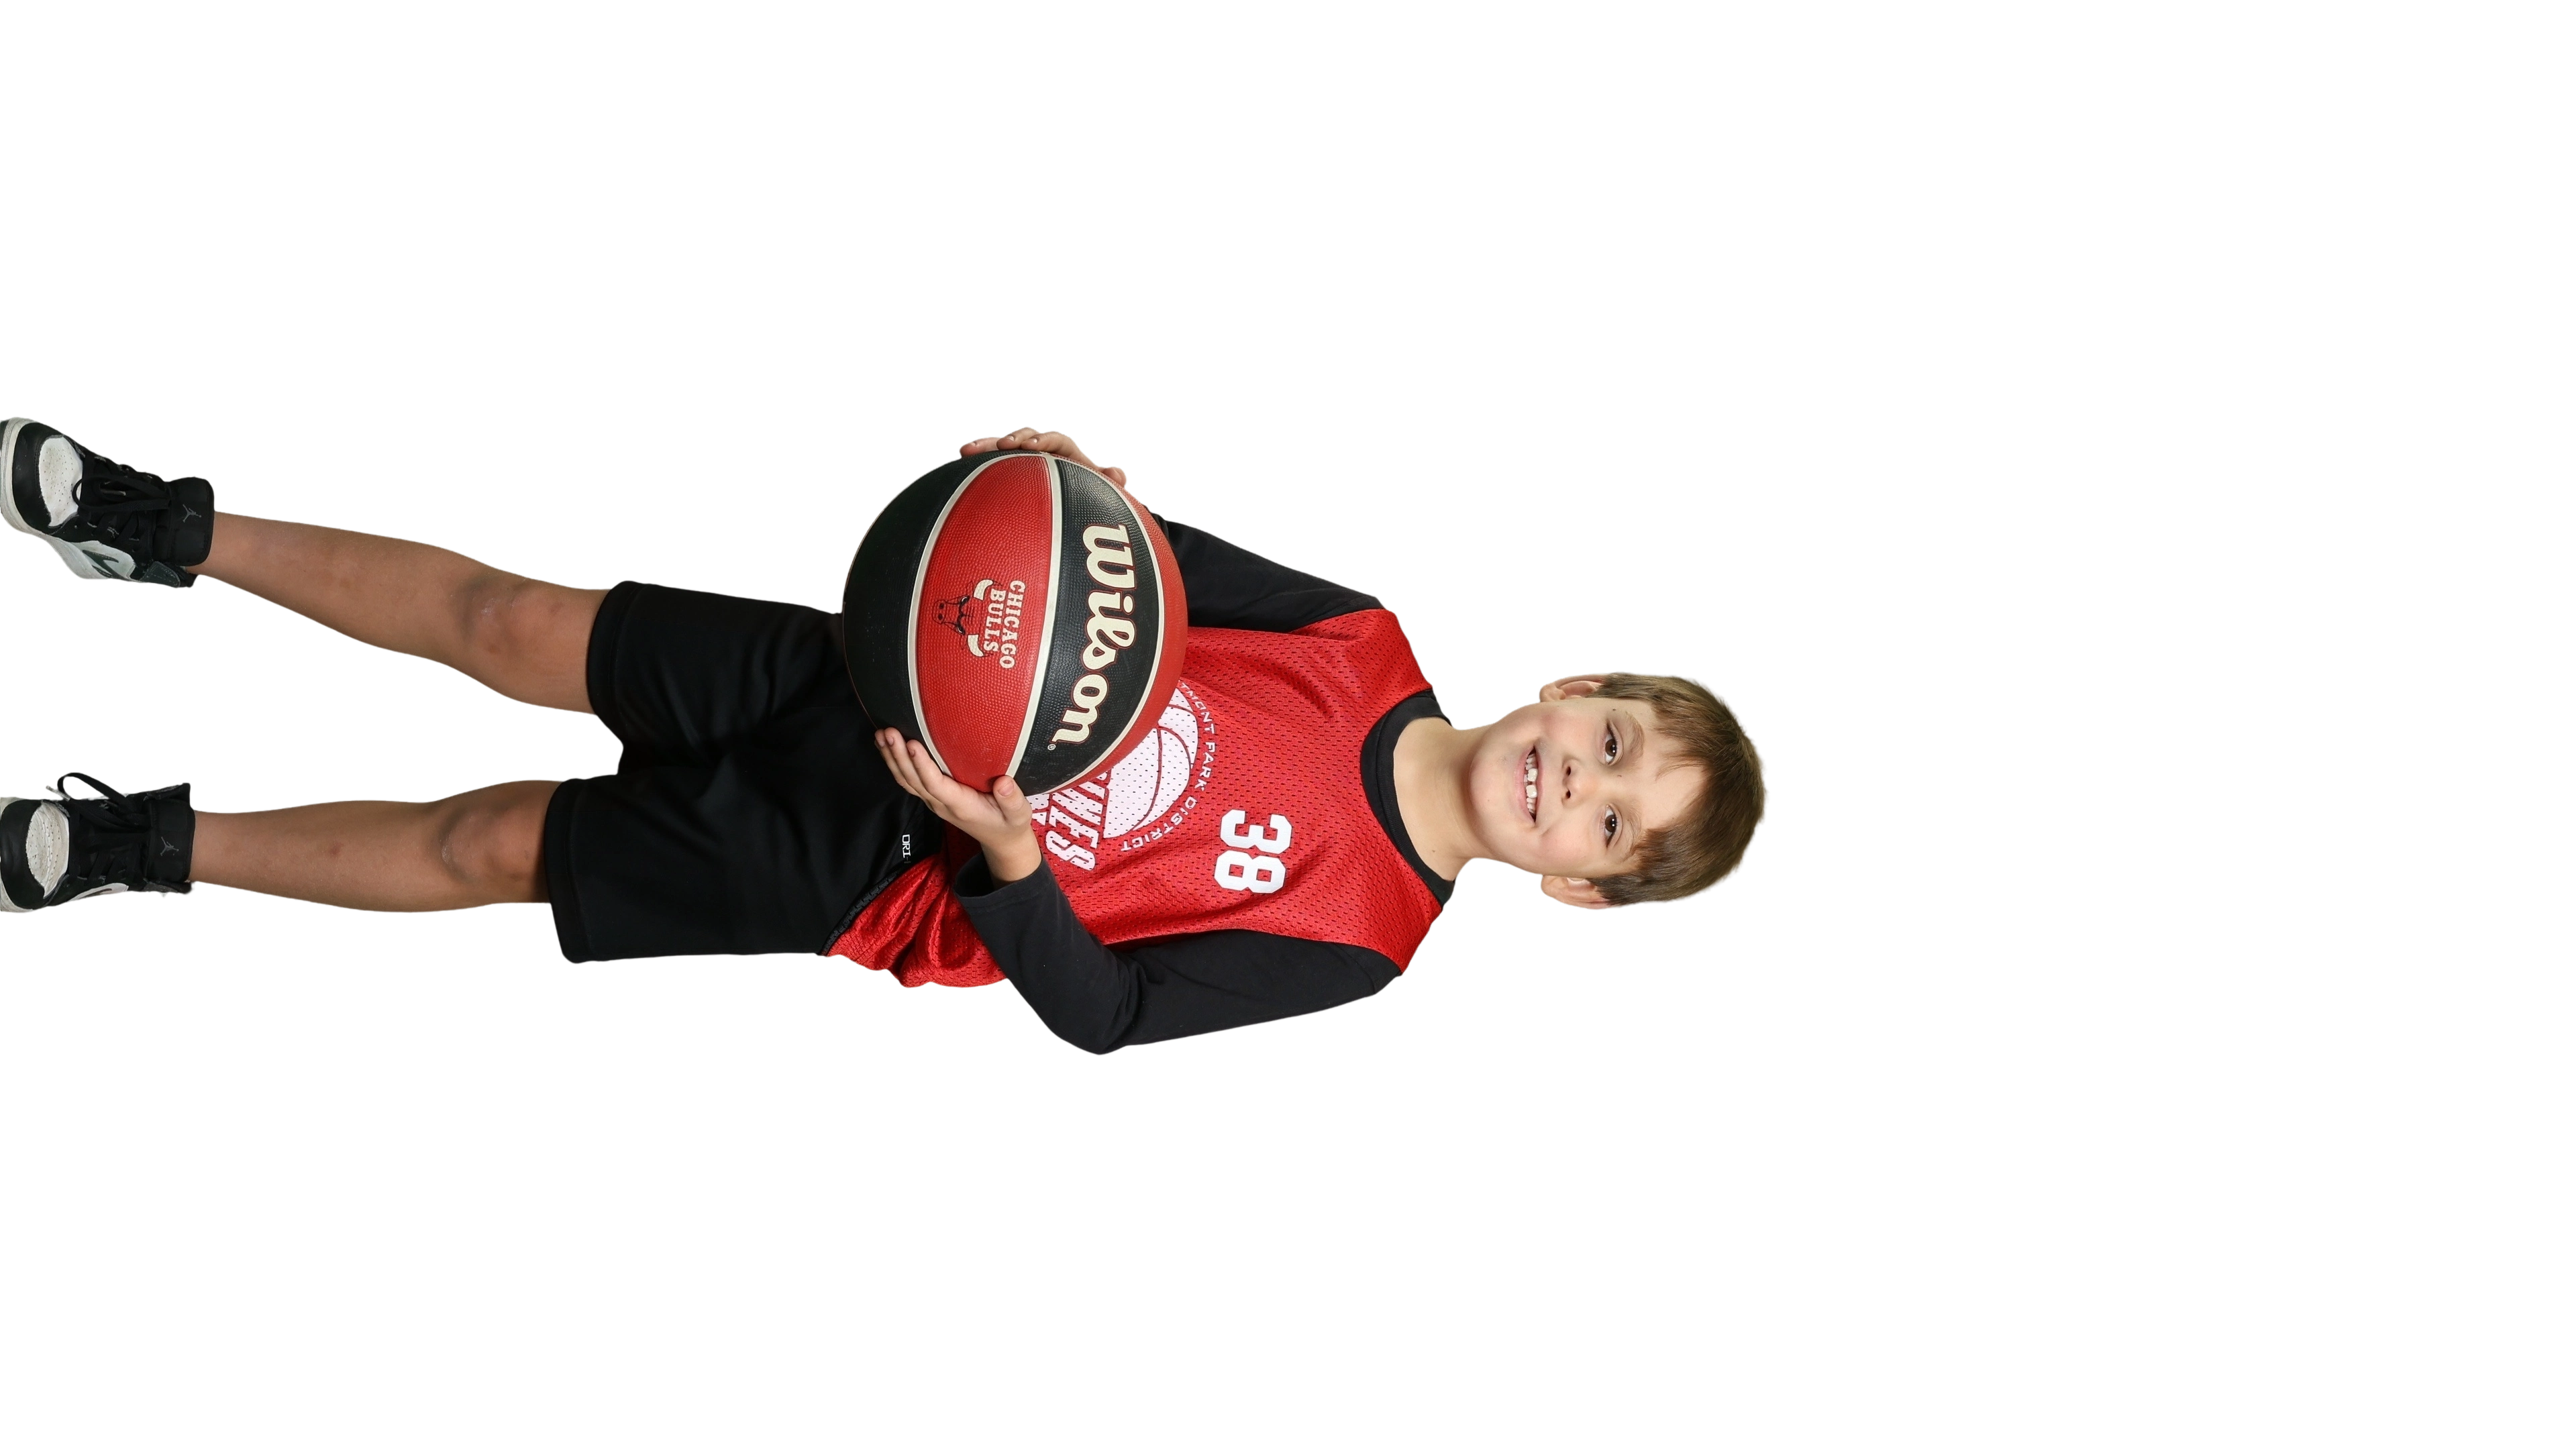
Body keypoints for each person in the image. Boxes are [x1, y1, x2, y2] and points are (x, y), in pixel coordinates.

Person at [0, 413, 1771, 1055]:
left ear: (1576, 892)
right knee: (515, 625)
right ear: (1577, 688)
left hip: (873, 868)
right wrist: (1055, 484)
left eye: (1612, 823)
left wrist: (1008, 859)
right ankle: (161, 533)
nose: (1582, 780)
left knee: (491, 846)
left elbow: (1111, 1015)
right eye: (1617, 740)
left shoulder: (1362, 937)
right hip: (882, 684)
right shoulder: (1358, 642)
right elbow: (1141, 553)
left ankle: (148, 847)